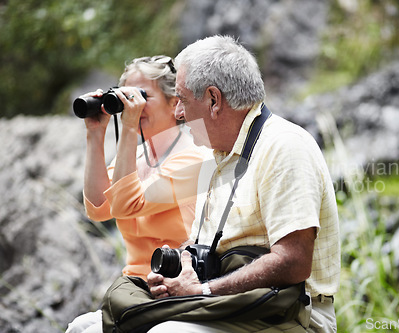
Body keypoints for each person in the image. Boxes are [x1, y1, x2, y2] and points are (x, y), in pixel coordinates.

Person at [146, 35, 341, 332]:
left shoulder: (284, 147)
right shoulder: (216, 155)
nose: (178, 114)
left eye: (183, 100)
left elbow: (293, 261)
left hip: (292, 314)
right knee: (87, 326)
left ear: (213, 99)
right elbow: (205, 244)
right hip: (228, 304)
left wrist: (204, 292)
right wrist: (180, 272)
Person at [66, 55, 208, 333]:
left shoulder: (194, 157)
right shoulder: (138, 158)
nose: (135, 106)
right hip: (133, 289)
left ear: (174, 102)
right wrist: (95, 134)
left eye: (143, 96)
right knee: (77, 327)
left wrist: (129, 127)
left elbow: (127, 204)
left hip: (175, 289)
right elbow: (97, 208)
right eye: (127, 97)